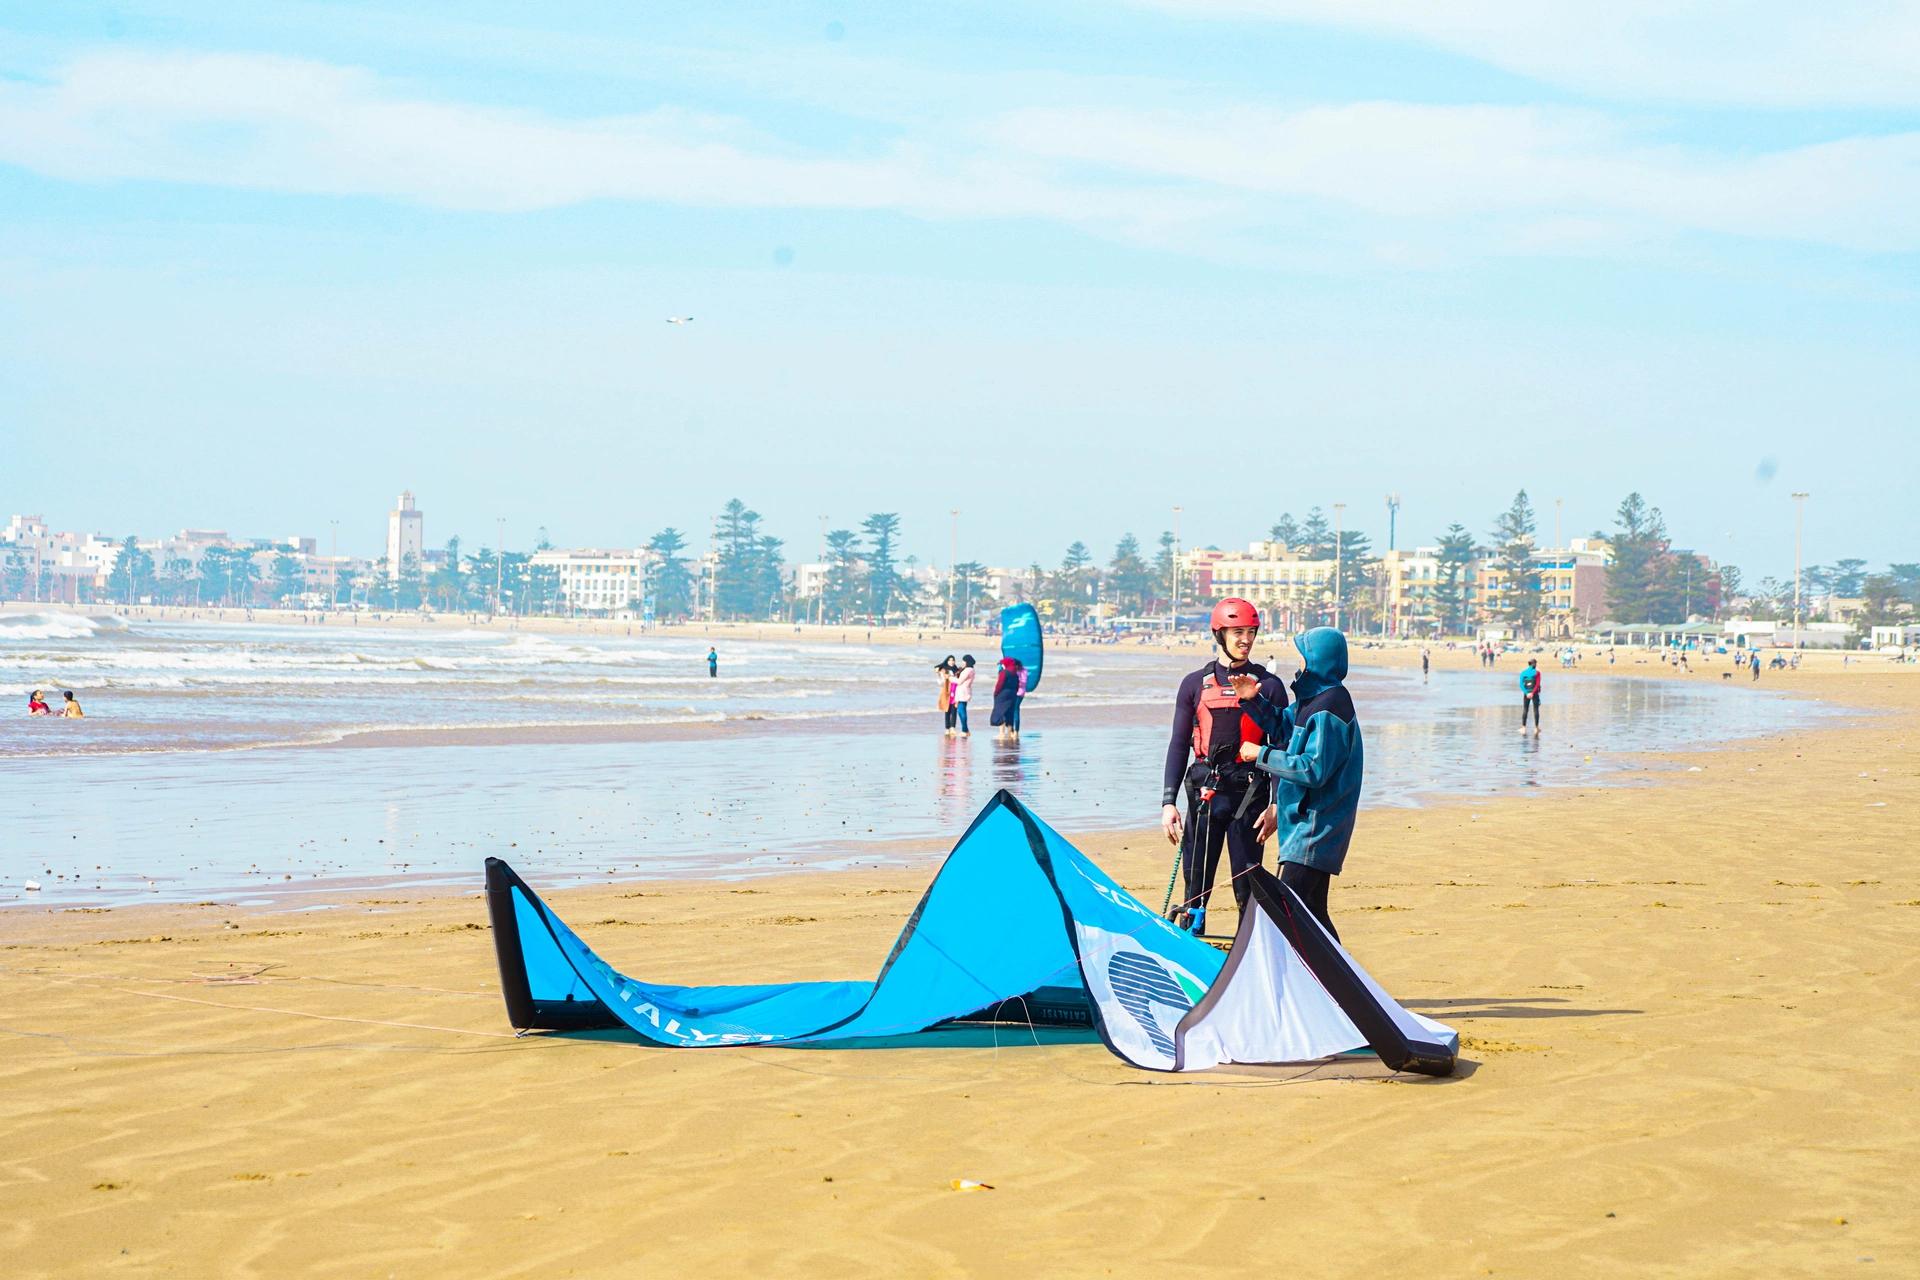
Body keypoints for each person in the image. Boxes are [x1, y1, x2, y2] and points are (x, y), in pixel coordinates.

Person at [1160, 599, 1285, 934]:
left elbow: (1281, 747)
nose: (1245, 639)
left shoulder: (1269, 686)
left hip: (1250, 796)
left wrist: (1276, 803)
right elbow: (1178, 743)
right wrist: (1168, 803)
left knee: (1248, 885)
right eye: (1238, 632)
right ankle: (1191, 942)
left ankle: (1251, 951)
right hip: (1206, 794)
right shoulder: (1193, 684)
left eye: (1251, 632)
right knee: (1195, 887)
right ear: (1220, 633)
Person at [1230, 626, 1362, 940]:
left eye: (1303, 659)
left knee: (1288, 910)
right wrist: (1253, 700)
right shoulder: (1311, 700)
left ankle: (1332, 982)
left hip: (1316, 828)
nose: (1298, 666)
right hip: (1303, 828)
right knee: (1312, 914)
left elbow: (1314, 769)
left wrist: (1260, 754)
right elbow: (1283, 724)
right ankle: (1339, 984)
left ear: (1319, 662)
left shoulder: (1331, 706)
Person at [990, 656, 1026, 740]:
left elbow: (1000, 684)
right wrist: (1014, 693)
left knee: (1000, 711)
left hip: (1003, 694)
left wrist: (996, 693)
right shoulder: (1015, 673)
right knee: (1010, 713)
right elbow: (1017, 685)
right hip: (1012, 695)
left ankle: (1002, 734)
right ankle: (1010, 732)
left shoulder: (1004, 672)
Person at [951, 655, 976, 737]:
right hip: (964, 691)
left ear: (967, 661)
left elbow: (959, 681)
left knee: (961, 711)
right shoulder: (970, 670)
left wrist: (950, 678)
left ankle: (964, 730)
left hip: (963, 692)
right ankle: (966, 730)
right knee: (961, 711)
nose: (962, 663)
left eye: (963, 661)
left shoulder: (968, 670)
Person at [935, 655, 959, 736]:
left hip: (956, 692)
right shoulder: (944, 670)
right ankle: (947, 728)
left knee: (954, 710)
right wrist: (938, 675)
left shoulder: (957, 670)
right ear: (947, 661)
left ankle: (953, 728)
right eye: (950, 660)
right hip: (946, 692)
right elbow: (941, 683)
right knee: (947, 710)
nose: (951, 662)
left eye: (953, 660)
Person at [1519, 659, 1542, 735]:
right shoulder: (1537, 673)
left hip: (1526, 694)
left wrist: (1526, 693)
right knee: (1536, 710)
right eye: (1536, 663)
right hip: (1534, 693)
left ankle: (1523, 728)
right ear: (1534, 664)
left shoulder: (1523, 672)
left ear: (1528, 664)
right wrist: (1532, 693)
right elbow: (1537, 684)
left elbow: (1521, 685)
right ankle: (1536, 728)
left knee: (1525, 709)